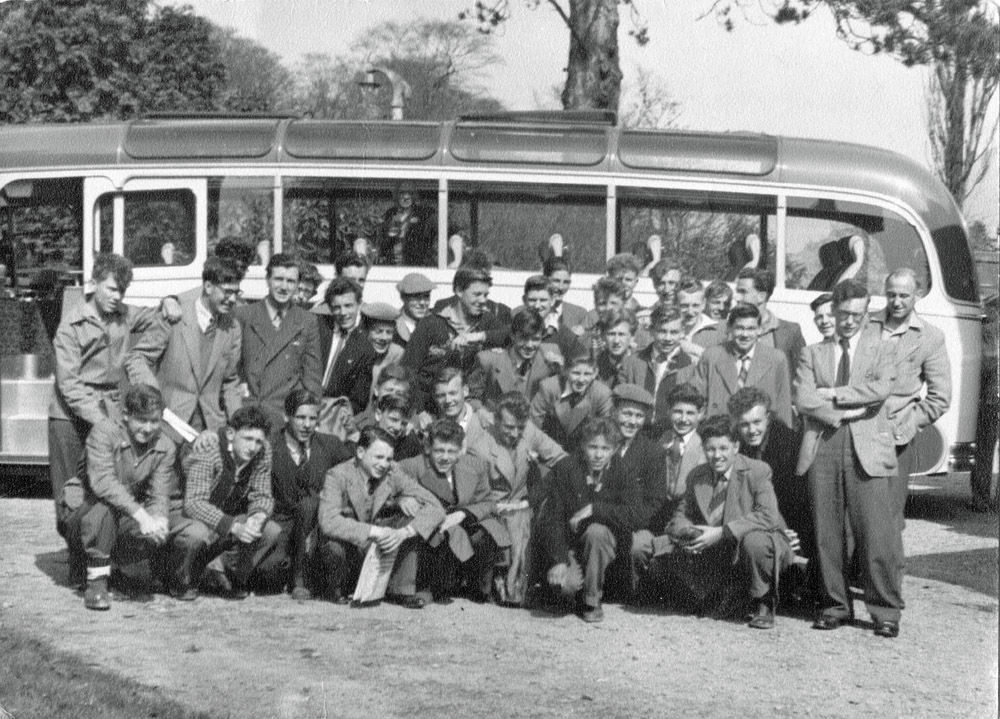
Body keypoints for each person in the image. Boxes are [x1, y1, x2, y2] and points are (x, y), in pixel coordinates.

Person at [49, 252, 179, 584]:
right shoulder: (71, 326)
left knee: (105, 487)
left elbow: (153, 316)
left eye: (122, 291)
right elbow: (69, 384)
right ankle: (79, 563)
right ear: (94, 284)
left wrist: (169, 301)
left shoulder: (123, 313)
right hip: (70, 415)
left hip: (107, 406)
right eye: (110, 289)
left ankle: (102, 557)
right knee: (72, 493)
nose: (116, 297)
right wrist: (101, 421)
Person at [794, 279, 902, 638]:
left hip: (867, 448)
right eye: (843, 314)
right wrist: (844, 412)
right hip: (824, 444)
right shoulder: (812, 353)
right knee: (827, 532)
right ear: (834, 312)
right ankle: (835, 605)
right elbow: (804, 398)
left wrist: (835, 394)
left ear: (866, 313)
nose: (850, 321)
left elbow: (880, 389)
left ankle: (885, 611)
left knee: (875, 533)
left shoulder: (882, 349)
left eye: (857, 314)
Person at [648, 414, 793, 629]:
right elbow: (680, 514)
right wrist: (690, 531)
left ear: (736, 446)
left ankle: (763, 602)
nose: (717, 456)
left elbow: (767, 516)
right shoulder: (697, 475)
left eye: (723, 448)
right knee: (665, 549)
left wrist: (721, 532)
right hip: (717, 549)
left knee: (755, 542)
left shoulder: (757, 470)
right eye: (710, 449)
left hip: (750, 543)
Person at [62, 384, 174, 610]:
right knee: (105, 509)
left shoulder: (165, 446)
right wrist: (142, 516)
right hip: (86, 510)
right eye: (141, 420)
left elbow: (159, 493)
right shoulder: (103, 432)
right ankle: (96, 582)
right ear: (126, 415)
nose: (148, 428)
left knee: (156, 526)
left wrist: (158, 519)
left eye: (154, 421)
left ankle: (116, 568)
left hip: (124, 511)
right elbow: (103, 483)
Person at [317, 427, 446, 608]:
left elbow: (435, 506)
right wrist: (374, 531)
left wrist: (404, 533)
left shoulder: (393, 472)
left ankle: (401, 591)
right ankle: (337, 588)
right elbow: (328, 521)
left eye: (388, 459)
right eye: (378, 457)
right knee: (333, 545)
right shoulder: (337, 475)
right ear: (360, 452)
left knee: (411, 514)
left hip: (376, 549)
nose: (384, 464)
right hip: (349, 549)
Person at [866, 268, 951, 527]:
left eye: (904, 295)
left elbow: (941, 397)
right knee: (856, 516)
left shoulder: (931, 337)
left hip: (897, 438)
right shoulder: (865, 325)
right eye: (891, 295)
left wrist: (909, 425)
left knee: (890, 518)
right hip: (859, 432)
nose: (896, 302)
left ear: (918, 295)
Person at [169, 405, 281, 601]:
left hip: (224, 521)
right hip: (188, 517)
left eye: (258, 441)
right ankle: (179, 579)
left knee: (270, 530)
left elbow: (262, 494)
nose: (253, 447)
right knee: (196, 534)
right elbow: (194, 503)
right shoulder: (210, 449)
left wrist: (257, 517)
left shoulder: (263, 452)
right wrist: (234, 527)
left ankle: (224, 574)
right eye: (247, 439)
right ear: (231, 434)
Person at [537, 417, 642, 622]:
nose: (598, 454)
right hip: (573, 545)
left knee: (596, 532)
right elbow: (553, 517)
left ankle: (592, 601)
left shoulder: (624, 470)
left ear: (614, 449)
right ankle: (577, 590)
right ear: (583, 446)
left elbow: (635, 514)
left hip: (608, 547)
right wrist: (559, 560)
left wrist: (595, 509)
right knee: (565, 587)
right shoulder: (568, 468)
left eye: (605, 448)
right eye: (593, 447)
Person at [125, 256, 245, 434]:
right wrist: (152, 395)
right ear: (208, 287)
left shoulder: (232, 327)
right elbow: (136, 358)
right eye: (227, 292)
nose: (233, 299)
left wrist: (240, 425)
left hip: (211, 430)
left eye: (236, 292)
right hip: (169, 425)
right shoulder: (175, 315)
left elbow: (230, 382)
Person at [466, 392, 566, 603]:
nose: (515, 433)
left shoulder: (528, 432)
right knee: (515, 519)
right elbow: (475, 498)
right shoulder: (479, 449)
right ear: (495, 420)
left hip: (522, 506)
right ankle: (507, 586)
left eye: (520, 427)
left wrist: (540, 467)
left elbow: (562, 460)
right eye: (509, 427)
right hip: (492, 511)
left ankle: (523, 583)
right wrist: (508, 508)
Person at [401, 420, 509, 603]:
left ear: (460, 451)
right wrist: (403, 499)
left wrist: (463, 514)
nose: (445, 457)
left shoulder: (476, 466)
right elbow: (387, 488)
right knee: (442, 537)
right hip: (434, 532)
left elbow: (488, 502)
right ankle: (431, 587)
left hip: (462, 523)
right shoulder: (412, 466)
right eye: (439, 451)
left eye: (451, 451)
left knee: (488, 530)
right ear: (428, 448)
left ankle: (476, 586)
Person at [268, 390, 354, 600]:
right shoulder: (270, 446)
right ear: (286, 416)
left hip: (317, 526)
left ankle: (302, 579)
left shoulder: (330, 444)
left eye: (312, 418)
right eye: (300, 417)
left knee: (310, 505)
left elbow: (354, 472)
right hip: (282, 523)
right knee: (268, 573)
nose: (307, 425)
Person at [234, 253, 322, 427]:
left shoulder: (307, 321)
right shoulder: (244, 315)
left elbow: (312, 378)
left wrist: (310, 417)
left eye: (290, 281)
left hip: (284, 416)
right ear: (268, 280)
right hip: (249, 413)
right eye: (278, 279)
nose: (284, 287)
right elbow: (232, 369)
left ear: (297, 284)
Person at [403, 267, 507, 412]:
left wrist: (479, 336)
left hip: (471, 405)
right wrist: (419, 412)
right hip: (431, 406)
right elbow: (408, 371)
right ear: (459, 291)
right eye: (477, 294)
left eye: (485, 295)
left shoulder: (486, 320)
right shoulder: (430, 324)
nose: (483, 300)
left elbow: (511, 335)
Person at [728, 386, 809, 558]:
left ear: (768, 417)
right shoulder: (735, 447)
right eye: (744, 424)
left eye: (757, 422)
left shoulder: (789, 445)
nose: (752, 431)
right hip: (758, 520)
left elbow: (797, 501)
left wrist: (789, 532)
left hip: (792, 523)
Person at [694, 303, 793, 429]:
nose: (745, 335)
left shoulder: (776, 359)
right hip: (720, 432)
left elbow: (783, 406)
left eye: (751, 329)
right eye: (739, 328)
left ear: (760, 330)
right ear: (729, 328)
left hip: (758, 434)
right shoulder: (712, 356)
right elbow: (696, 401)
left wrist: (784, 437)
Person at [529, 352, 614, 451]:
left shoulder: (602, 393)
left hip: (583, 449)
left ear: (595, 374)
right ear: (565, 371)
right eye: (576, 373)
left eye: (587, 374)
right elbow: (533, 420)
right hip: (550, 446)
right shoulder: (549, 387)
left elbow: (607, 428)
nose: (581, 380)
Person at [317, 277, 378, 415]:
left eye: (348, 306)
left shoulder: (366, 346)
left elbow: (358, 400)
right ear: (330, 308)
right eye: (337, 307)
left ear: (359, 304)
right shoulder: (318, 329)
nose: (343, 313)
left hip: (335, 414)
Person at [633, 303, 696, 433]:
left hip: (671, 434)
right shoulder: (633, 362)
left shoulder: (690, 367)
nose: (668, 338)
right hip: (637, 433)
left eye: (674, 332)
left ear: (682, 332)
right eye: (662, 331)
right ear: (651, 330)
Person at [477, 309, 562, 402]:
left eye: (535, 339)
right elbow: (472, 399)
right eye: (524, 338)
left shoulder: (549, 362)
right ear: (512, 336)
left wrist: (561, 371)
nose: (529, 345)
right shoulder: (488, 360)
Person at [518, 274, 586, 361]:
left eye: (543, 300)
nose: (537, 305)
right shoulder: (514, 330)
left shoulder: (563, 334)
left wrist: (563, 362)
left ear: (553, 300)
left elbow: (584, 362)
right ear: (524, 300)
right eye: (532, 300)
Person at [972, 293, 998, 511]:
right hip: (990, 397)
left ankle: (983, 499)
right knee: (984, 450)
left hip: (990, 397)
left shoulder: (987, 327)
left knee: (985, 450)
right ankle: (981, 498)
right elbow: (986, 362)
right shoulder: (987, 327)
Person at [379, 181, 436, 267]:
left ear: (414, 196)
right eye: (402, 193)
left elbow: (441, 228)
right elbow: (382, 239)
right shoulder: (390, 213)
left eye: (410, 193)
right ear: (396, 195)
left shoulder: (424, 213)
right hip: (392, 263)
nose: (406, 197)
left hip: (415, 263)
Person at [361, 302, 405, 409]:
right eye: (378, 331)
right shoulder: (355, 350)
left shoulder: (396, 353)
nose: (384, 338)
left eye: (389, 332)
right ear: (366, 331)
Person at [594, 309, 643, 389]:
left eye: (621, 334)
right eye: (611, 334)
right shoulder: (596, 364)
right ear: (603, 336)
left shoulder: (642, 362)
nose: (616, 341)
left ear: (632, 337)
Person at [541, 255, 588, 331]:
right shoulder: (525, 312)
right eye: (556, 281)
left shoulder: (579, 314)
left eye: (566, 282)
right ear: (544, 280)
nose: (561, 288)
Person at [675, 277, 715, 357]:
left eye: (695, 305)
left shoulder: (716, 331)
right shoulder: (667, 330)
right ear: (676, 304)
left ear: (703, 304)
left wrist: (697, 351)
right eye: (684, 306)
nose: (690, 312)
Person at [394, 272, 436, 347]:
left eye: (426, 296)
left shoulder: (437, 324)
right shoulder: (392, 326)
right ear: (403, 297)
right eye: (416, 297)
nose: (422, 302)